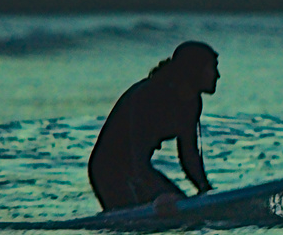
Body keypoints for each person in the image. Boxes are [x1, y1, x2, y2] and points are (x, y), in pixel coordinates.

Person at [87, 41, 219, 212]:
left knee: (181, 210)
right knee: (136, 222)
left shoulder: (191, 103)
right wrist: (155, 195)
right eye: (212, 68)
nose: (217, 75)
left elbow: (189, 154)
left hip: (139, 168)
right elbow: (137, 153)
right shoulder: (149, 97)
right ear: (194, 70)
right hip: (107, 170)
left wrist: (205, 189)